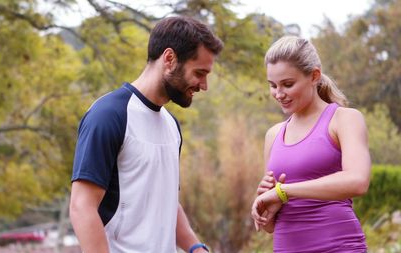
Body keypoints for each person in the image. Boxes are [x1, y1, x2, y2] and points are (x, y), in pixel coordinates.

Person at [69, 16, 223, 253]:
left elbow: (166, 200)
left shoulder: (171, 126)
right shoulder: (109, 115)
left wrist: (195, 248)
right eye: (199, 73)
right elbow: (82, 206)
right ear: (169, 59)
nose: (204, 85)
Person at [251, 36, 371, 252]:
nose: (279, 94)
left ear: (314, 76)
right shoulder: (274, 134)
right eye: (272, 85)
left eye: (288, 84)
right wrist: (265, 207)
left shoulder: (344, 119)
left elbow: (358, 181)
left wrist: (284, 191)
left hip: (339, 246)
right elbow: (269, 226)